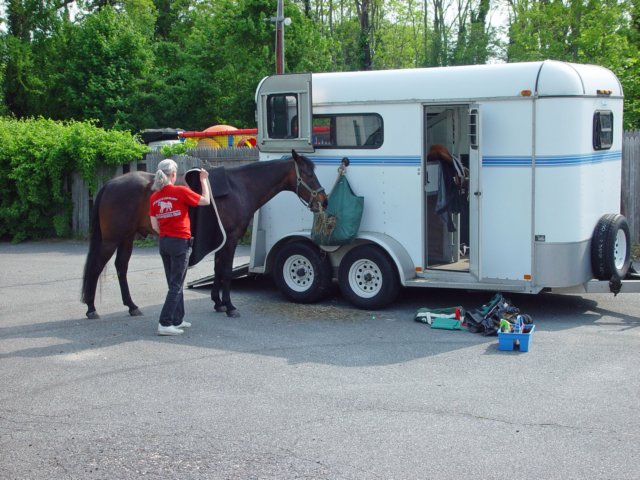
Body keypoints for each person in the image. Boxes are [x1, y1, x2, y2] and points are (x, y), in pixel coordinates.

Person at [149, 159, 211, 336]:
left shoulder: (154, 197)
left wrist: (167, 230)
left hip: (164, 242)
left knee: (175, 283)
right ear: (173, 174)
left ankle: (178, 319)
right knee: (176, 285)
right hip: (180, 243)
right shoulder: (180, 191)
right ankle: (165, 323)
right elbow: (205, 201)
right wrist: (203, 180)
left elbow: (154, 225)